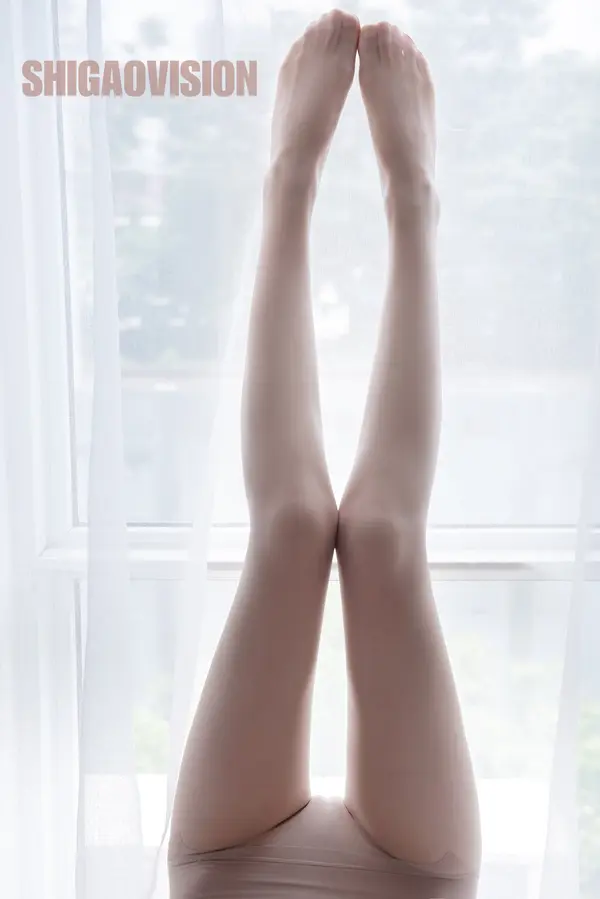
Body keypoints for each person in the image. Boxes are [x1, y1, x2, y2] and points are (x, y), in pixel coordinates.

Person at [168, 10, 482, 898]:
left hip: (227, 867)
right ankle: (412, 199)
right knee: (381, 536)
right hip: (414, 877)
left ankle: (290, 181)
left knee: (293, 528)